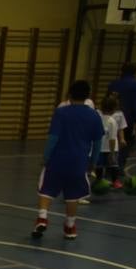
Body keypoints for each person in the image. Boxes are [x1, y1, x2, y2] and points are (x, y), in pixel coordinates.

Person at [32, 80, 104, 240]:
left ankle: (42, 217)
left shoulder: (61, 112)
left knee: (46, 189)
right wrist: (93, 162)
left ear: (69, 95)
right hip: (79, 161)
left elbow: (53, 138)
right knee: (73, 195)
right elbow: (98, 143)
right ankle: (70, 226)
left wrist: (45, 157)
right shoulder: (94, 115)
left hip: (58, 159)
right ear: (88, 96)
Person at [95, 92, 124, 189]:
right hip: (109, 148)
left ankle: (107, 180)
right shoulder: (112, 121)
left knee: (107, 165)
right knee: (111, 165)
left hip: (102, 147)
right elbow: (112, 139)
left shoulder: (98, 118)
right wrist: (112, 152)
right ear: (114, 109)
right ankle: (108, 181)